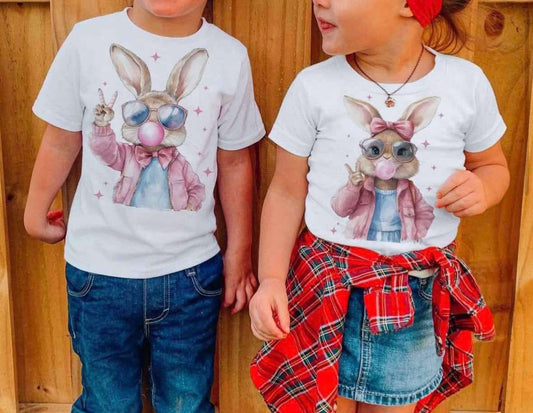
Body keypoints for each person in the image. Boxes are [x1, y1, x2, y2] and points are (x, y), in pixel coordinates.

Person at [249, 0, 509, 412]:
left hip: (412, 295)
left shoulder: (465, 84)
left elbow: (492, 165)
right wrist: (270, 280)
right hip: (324, 285)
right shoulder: (313, 87)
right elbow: (285, 191)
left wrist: (484, 187)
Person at [24, 1, 265, 412]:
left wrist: (240, 252)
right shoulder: (88, 41)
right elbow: (61, 139)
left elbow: (235, 161)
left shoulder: (229, 57)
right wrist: (34, 213)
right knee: (107, 402)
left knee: (185, 402)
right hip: (98, 274)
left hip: (190, 274)